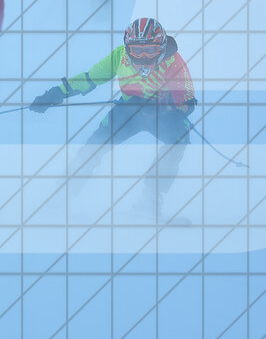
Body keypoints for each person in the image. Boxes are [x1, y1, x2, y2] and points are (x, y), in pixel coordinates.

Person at [30, 17, 197, 223]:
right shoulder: (120, 57)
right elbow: (90, 78)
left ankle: (151, 198)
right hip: (128, 111)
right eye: (137, 51)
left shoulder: (174, 62)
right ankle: (63, 194)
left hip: (162, 114)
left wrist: (172, 107)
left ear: (161, 48)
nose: (143, 58)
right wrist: (56, 93)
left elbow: (188, 102)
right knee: (96, 144)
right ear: (128, 49)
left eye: (150, 51)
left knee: (180, 138)